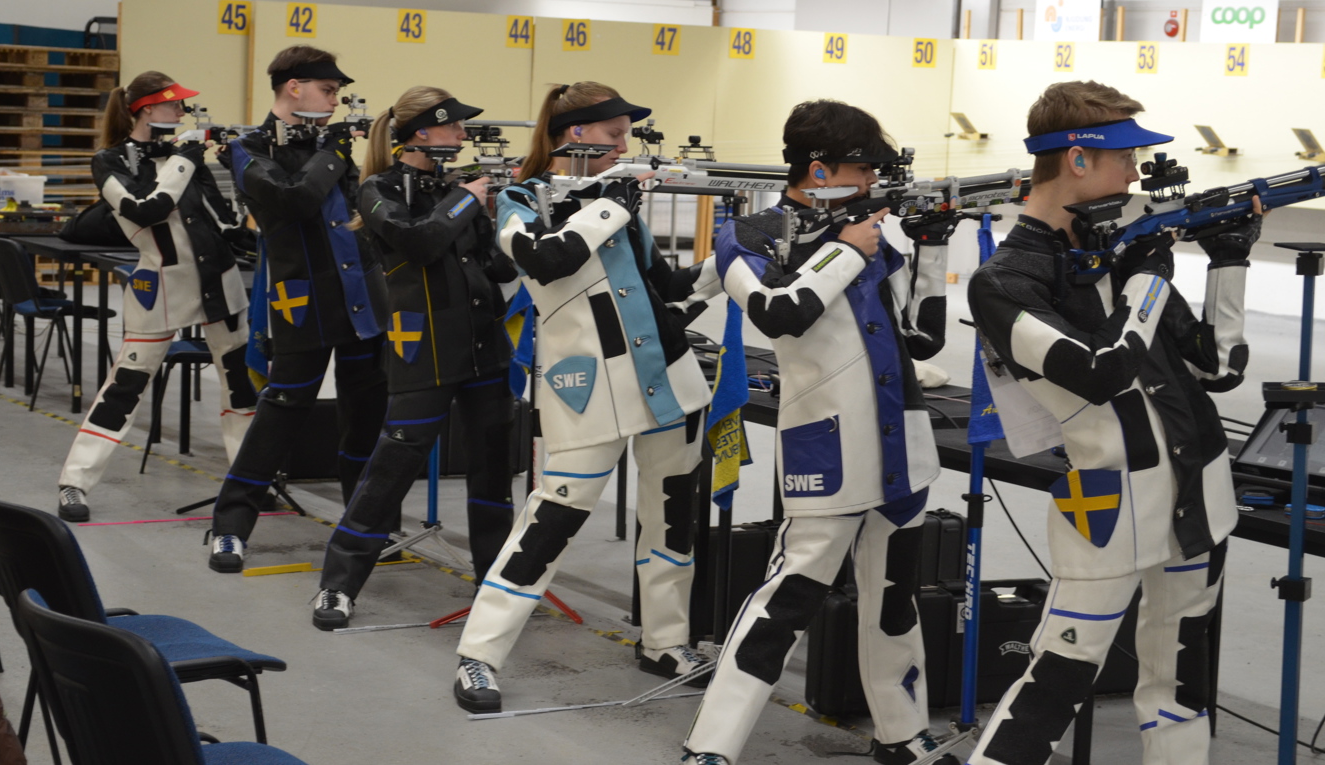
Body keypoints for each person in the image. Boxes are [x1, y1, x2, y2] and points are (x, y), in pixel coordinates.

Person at [964, 81, 1258, 765]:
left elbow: (1219, 368)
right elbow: (1100, 370)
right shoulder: (1003, 281)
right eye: (1124, 158)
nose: (1133, 174)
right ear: (1076, 158)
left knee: (1180, 683)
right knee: (1054, 684)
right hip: (1108, 507)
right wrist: (1148, 279)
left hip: (1199, 491)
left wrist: (1230, 260)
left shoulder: (1119, 254)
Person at [682, 100, 955, 765]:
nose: (873, 183)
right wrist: (845, 251)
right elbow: (780, 313)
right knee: (787, 600)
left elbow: (923, 338)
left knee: (894, 601)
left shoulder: (870, 231)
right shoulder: (749, 235)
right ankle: (710, 746)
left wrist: (933, 244)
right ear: (820, 169)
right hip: (827, 445)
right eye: (863, 170)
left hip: (901, 444)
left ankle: (902, 733)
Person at [451, 81, 720, 713]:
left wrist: (734, 260)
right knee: (551, 522)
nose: (624, 146)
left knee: (671, 516)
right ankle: (478, 656)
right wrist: (611, 206)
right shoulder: (520, 200)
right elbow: (545, 258)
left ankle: (666, 642)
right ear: (576, 133)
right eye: (614, 134)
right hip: (587, 390)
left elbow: (671, 286)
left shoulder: (615, 201)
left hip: (669, 382)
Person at [309, 86, 519, 630]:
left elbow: (497, 268)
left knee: (493, 474)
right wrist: (468, 199)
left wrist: (513, 216)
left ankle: (495, 586)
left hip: (484, 349)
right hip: (423, 350)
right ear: (422, 131)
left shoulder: (455, 189)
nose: (464, 135)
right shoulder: (377, 189)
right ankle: (337, 585)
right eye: (454, 126)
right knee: (389, 472)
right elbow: (420, 243)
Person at [208, 45, 388, 572]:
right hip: (302, 306)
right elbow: (294, 199)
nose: (334, 102)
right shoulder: (247, 150)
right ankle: (229, 527)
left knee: (365, 418)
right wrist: (334, 152)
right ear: (294, 87)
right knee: (279, 418)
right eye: (327, 91)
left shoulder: (329, 146)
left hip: (361, 301)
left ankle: (364, 524)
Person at [57, 71, 255, 523]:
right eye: (173, 104)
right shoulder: (109, 161)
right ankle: (74, 482)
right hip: (161, 289)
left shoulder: (184, 156)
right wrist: (183, 161)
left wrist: (244, 175)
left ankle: (248, 482)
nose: (182, 112)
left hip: (218, 283)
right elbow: (145, 210)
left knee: (240, 385)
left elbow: (225, 224)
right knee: (124, 388)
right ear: (146, 110)